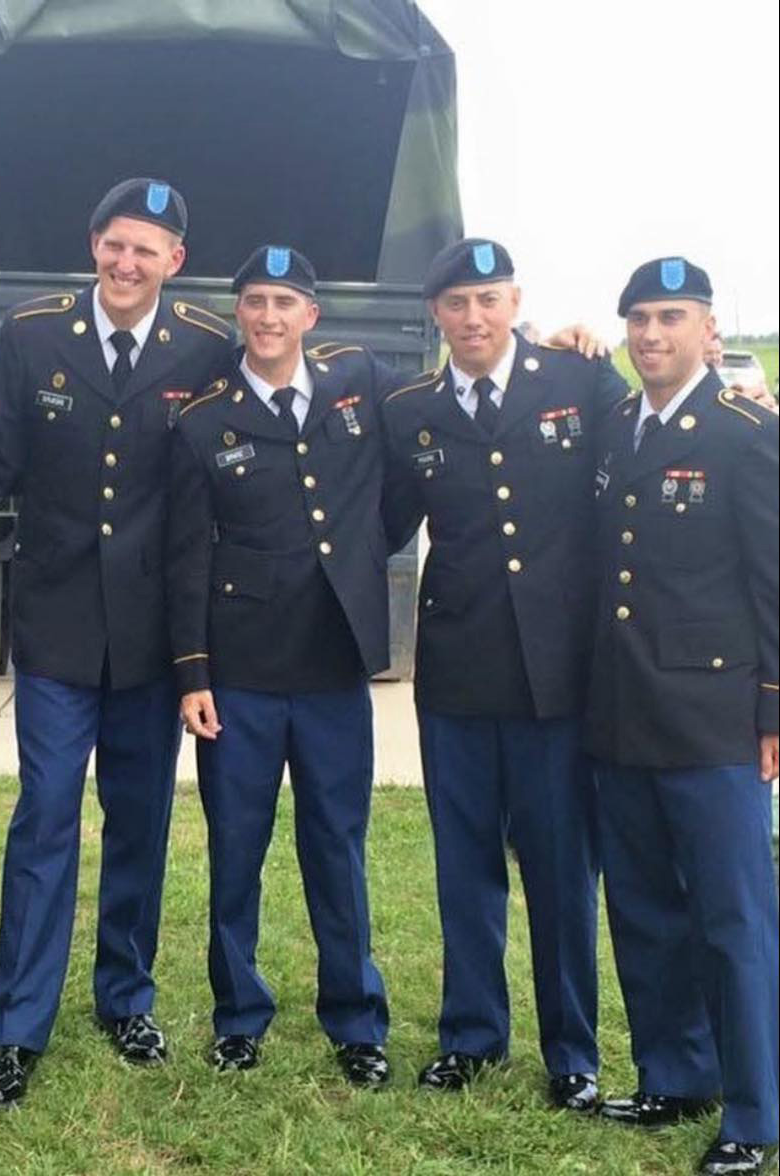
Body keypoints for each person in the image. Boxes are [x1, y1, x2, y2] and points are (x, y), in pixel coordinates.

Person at [0, 178, 233, 1109]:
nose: (128, 264)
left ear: (175, 262)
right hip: (54, 627)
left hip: (153, 635)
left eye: (148, 249)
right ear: (93, 245)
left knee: (140, 823)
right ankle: (16, 1026)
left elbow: (284, 395)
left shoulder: (207, 344)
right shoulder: (31, 333)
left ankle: (124, 998)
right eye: (114, 245)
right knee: (44, 818)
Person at [379, 238, 629, 1111]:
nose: (473, 318)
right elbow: (373, 520)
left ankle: (572, 1054)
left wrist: (742, 389)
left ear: (514, 301)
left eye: (487, 300)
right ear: (435, 316)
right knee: (467, 865)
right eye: (455, 305)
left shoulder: (578, 383)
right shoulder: (408, 409)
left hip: (556, 680)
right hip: (456, 675)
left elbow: (653, 448)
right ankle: (472, 1034)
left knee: (563, 870)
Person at [166, 245, 396, 1084]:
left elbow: (398, 487)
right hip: (241, 673)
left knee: (337, 846)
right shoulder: (202, 421)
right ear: (239, 313)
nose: (268, 316)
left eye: (285, 302)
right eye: (254, 300)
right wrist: (192, 674)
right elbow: (186, 555)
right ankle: (238, 1014)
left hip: (333, 664)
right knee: (237, 849)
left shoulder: (358, 384)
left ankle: (355, 1018)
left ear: (312, 315)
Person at [587, 257, 778, 1176]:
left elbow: (771, 579)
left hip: (711, 717)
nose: (651, 335)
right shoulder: (618, 423)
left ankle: (754, 1110)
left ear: (708, 328)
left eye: (670, 317)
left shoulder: (745, 432)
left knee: (732, 920)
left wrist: (773, 706)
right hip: (622, 709)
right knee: (644, 908)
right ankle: (674, 1074)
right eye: (637, 320)